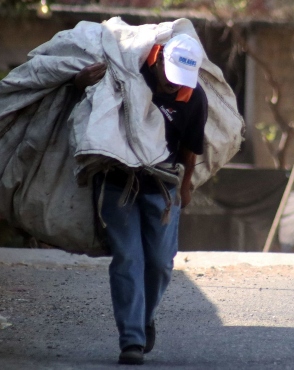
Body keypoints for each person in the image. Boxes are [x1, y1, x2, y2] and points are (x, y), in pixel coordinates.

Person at [74, 33, 208, 365]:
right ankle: (131, 339)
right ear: (159, 59)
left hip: (162, 188)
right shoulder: (129, 72)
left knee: (161, 263)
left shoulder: (194, 98)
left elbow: (190, 150)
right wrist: (79, 82)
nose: (174, 85)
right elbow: (91, 101)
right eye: (170, 76)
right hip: (120, 184)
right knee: (128, 259)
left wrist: (186, 187)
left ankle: (145, 317)